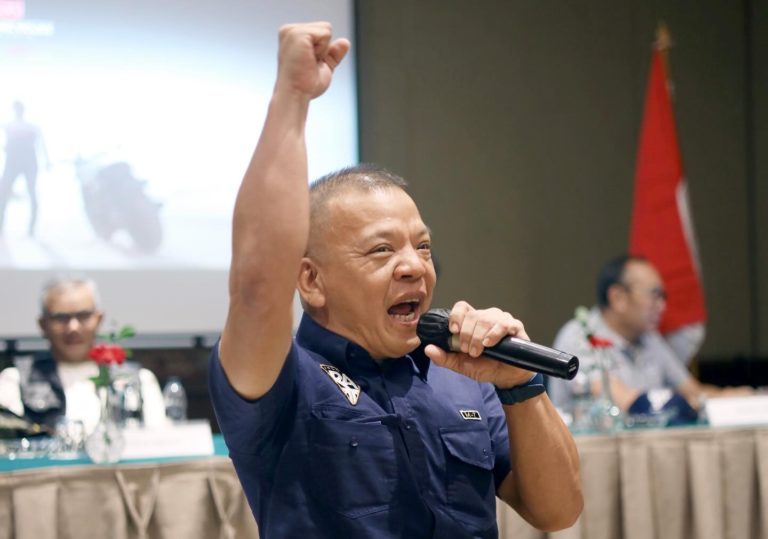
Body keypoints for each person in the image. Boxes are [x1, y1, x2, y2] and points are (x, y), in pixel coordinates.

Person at [208, 22, 582, 538]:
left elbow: (558, 512)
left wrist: (521, 386)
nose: (414, 266)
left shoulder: (462, 373)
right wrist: (292, 98)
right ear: (311, 281)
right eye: (381, 250)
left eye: (422, 246)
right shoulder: (282, 379)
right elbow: (256, 287)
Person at [547, 255, 752, 419]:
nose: (662, 306)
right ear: (618, 297)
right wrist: (688, 403)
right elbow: (622, 401)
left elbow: (692, 391)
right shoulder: (580, 336)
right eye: (654, 295)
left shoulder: (650, 338)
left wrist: (740, 398)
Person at [0, 276, 166, 433]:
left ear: (99, 319)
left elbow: (160, 442)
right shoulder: (15, 381)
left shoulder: (137, 380)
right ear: (43, 325)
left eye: (83, 316)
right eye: (61, 318)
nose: (73, 327)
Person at [0, 100, 48, 237]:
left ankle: (31, 228)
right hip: (13, 164)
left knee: (31, 193)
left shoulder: (31, 127)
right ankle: (1, 224)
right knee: (3, 193)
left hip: (28, 164)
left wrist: (47, 161)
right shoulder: (9, 125)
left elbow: (42, 144)